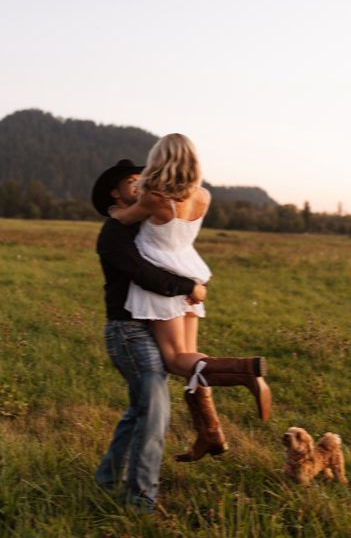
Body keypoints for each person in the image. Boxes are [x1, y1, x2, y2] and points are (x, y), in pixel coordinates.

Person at [91, 159, 224, 512]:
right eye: (131, 182)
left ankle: (106, 478)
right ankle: (140, 500)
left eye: (142, 180)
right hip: (128, 331)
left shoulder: (143, 224)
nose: (139, 187)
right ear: (115, 193)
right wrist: (189, 287)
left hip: (152, 325)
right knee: (154, 413)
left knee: (138, 410)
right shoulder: (114, 233)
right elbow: (145, 274)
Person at [109, 134, 272, 421]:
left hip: (164, 277)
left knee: (174, 360)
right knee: (189, 355)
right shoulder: (203, 196)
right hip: (191, 272)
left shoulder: (155, 199)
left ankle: (246, 372)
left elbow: (122, 218)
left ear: (161, 159)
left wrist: (113, 209)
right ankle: (208, 429)